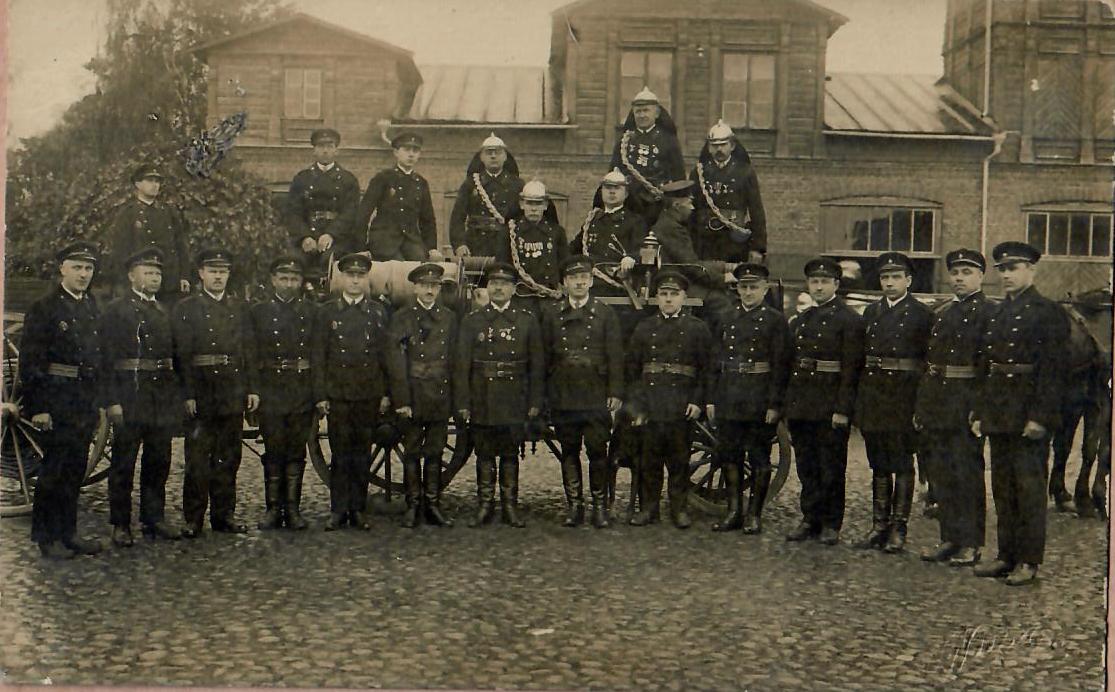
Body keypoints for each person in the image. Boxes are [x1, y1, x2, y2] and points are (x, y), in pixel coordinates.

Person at [971, 241, 1068, 586]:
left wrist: (1040, 417)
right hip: (1000, 412)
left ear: (1032, 270)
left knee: (1028, 488)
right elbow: (987, 368)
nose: (1007, 276)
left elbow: (1054, 372)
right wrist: (980, 411)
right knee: (1003, 487)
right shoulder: (997, 313)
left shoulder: (1048, 312)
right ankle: (1006, 554)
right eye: (1002, 270)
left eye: (1014, 269)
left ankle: (1028, 560)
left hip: (1028, 413)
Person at [21, 241, 106, 559]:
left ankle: (69, 533)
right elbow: (31, 362)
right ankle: (47, 538)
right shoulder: (44, 309)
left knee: (75, 468)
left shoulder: (90, 306)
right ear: (62, 270)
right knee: (54, 468)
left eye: (88, 269)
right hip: (55, 399)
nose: (84, 274)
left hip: (83, 399)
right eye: (77, 268)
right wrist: (39, 407)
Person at [172, 247, 258, 538]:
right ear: (201, 274)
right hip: (202, 389)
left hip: (231, 389)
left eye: (223, 271)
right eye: (213, 271)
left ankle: (224, 516)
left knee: (229, 457)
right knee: (198, 458)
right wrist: (188, 394)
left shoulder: (239, 308)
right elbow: (182, 355)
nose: (218, 276)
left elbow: (249, 350)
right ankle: (193, 518)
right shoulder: (187, 308)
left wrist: (251, 389)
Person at [915, 248, 991, 567]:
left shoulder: (989, 313)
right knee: (941, 473)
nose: (959, 278)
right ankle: (949, 537)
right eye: (955, 273)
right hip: (937, 401)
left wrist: (980, 410)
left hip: (966, 403)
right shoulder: (943, 313)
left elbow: (989, 368)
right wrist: (922, 406)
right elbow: (930, 363)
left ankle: (971, 543)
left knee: (966, 474)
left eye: (967, 273)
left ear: (981, 277)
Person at [852, 252, 933, 553]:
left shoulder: (922, 316)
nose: (889, 283)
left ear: (908, 281)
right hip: (875, 395)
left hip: (904, 396)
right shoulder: (871, 313)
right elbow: (860, 360)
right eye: (885, 277)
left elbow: (928, 364)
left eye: (896, 277)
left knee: (901, 463)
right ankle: (879, 524)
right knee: (879, 464)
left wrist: (921, 406)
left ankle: (899, 527)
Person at [101, 247, 182, 547]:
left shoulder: (163, 312)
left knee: (158, 460)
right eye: (148, 272)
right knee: (123, 463)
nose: (154, 278)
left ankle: (153, 518)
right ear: (131, 275)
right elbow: (106, 359)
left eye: (158, 273)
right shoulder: (115, 310)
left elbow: (172, 359)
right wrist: (112, 401)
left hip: (159, 398)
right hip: (129, 395)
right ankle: (120, 524)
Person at [454, 262, 544, 528]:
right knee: (483, 452)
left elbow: (536, 366)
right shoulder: (473, 322)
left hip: (513, 396)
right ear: (488, 288)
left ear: (514, 289)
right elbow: (461, 366)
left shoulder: (526, 321)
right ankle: (485, 505)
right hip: (482, 395)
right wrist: (463, 403)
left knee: (509, 452)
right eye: (494, 283)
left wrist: (535, 402)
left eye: (504, 284)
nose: (498, 288)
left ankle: (509, 506)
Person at [784, 258, 864, 545]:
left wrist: (843, 409)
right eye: (814, 282)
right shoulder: (801, 321)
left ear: (836, 285)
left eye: (824, 282)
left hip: (830, 404)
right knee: (806, 465)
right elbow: (791, 364)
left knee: (831, 466)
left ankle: (831, 523)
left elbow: (851, 369)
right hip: (803, 402)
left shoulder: (849, 320)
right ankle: (810, 518)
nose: (818, 286)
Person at [540, 255, 624, 528]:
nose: (579, 282)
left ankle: (599, 507)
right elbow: (544, 358)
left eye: (584, 278)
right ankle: (575, 506)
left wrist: (615, 391)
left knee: (597, 450)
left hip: (595, 392)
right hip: (564, 391)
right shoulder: (552, 315)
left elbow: (615, 355)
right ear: (565, 283)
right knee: (569, 450)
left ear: (591, 281)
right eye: (573, 278)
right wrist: (545, 394)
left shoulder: (605, 314)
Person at [706, 263, 791, 534]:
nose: (748, 292)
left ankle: (754, 514)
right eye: (744, 287)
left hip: (758, 395)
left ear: (764, 289)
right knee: (729, 454)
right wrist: (711, 399)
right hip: (729, 394)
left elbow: (781, 365)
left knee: (758, 456)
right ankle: (734, 511)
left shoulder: (775, 321)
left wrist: (775, 404)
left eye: (754, 287)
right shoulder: (726, 317)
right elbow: (714, 361)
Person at [626, 269, 712, 528]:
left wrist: (697, 402)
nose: (668, 299)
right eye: (663, 294)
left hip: (681, 404)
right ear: (657, 298)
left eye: (674, 294)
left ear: (684, 297)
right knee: (648, 460)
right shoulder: (644, 328)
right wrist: (638, 406)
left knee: (679, 460)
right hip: (651, 404)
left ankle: (679, 509)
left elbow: (706, 370)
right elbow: (633, 370)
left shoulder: (697, 329)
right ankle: (649, 509)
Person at [311, 253, 391, 531]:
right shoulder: (327, 312)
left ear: (366, 279)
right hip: (338, 394)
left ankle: (357, 509)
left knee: (361, 454)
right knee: (340, 454)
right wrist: (320, 395)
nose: (355, 280)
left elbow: (384, 358)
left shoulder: (377, 313)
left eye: (360, 276)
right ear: (342, 279)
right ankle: (338, 510)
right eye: (350, 275)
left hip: (367, 394)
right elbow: (319, 356)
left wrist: (384, 394)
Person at [385, 263, 458, 528]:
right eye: (424, 285)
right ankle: (413, 504)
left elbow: (455, 361)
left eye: (434, 286)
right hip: (414, 395)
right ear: (415, 287)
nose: (429, 290)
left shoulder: (449, 318)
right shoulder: (402, 317)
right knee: (413, 450)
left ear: (439, 289)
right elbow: (395, 362)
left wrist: (455, 399)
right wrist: (402, 400)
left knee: (436, 451)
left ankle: (433, 504)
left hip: (439, 393)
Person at [248, 256, 318, 531]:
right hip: (271, 388)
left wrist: (317, 392)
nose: (289, 284)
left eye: (294, 279)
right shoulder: (259, 313)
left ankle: (293, 508)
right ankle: (273, 509)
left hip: (301, 388)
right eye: (284, 278)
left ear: (301, 282)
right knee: (274, 449)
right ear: (273, 280)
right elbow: (251, 354)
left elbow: (318, 355)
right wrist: (254, 389)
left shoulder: (312, 312)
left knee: (296, 451)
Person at [282, 128, 361, 289]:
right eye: (321, 146)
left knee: (330, 260)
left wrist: (331, 234)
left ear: (336, 150)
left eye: (330, 146)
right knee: (292, 261)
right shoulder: (302, 178)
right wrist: (304, 237)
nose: (325, 150)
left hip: (338, 238)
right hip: (308, 235)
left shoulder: (348, 180)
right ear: (314, 150)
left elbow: (350, 213)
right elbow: (293, 212)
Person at [107, 163, 191, 302]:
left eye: (157, 181)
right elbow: (120, 251)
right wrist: (124, 282)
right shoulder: (127, 214)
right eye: (150, 180)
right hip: (140, 281)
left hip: (169, 281)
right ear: (138, 184)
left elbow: (181, 245)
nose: (154, 185)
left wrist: (184, 276)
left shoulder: (169, 212)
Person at [690, 120, 767, 264]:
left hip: (734, 241)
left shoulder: (745, 172)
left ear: (732, 146)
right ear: (708, 148)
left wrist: (758, 247)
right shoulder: (699, 172)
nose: (719, 149)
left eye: (723, 145)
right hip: (705, 241)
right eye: (714, 145)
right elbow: (691, 210)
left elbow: (756, 211)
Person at [609, 87, 685, 227]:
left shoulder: (668, 141)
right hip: (629, 203)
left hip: (657, 205)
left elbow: (678, 177)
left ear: (656, 113)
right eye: (638, 111)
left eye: (646, 110)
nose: (642, 115)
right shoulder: (624, 140)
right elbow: (614, 172)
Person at [355, 132, 437, 261]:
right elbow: (363, 214)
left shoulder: (420, 183)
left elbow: (428, 220)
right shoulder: (383, 178)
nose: (411, 154)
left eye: (415, 150)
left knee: (420, 266)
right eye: (406, 150)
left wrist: (432, 248)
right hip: (384, 241)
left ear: (419, 154)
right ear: (396, 152)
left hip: (411, 242)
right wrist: (360, 248)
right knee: (398, 268)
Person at [449, 133, 522, 260]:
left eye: (498, 152)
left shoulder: (517, 185)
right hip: (475, 243)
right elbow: (457, 218)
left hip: (506, 243)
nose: (493, 156)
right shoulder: (471, 184)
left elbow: (522, 218)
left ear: (505, 156)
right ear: (481, 157)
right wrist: (460, 244)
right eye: (489, 152)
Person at [508, 180, 569, 305]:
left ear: (545, 205)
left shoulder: (557, 232)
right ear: (521, 204)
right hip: (520, 297)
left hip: (550, 299)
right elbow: (504, 266)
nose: (534, 209)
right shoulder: (510, 232)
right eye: (529, 203)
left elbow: (565, 266)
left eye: (538, 203)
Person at [640, 180, 699, 264]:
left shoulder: (667, 222)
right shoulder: (671, 228)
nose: (692, 208)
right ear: (676, 205)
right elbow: (691, 265)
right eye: (689, 204)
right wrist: (721, 274)